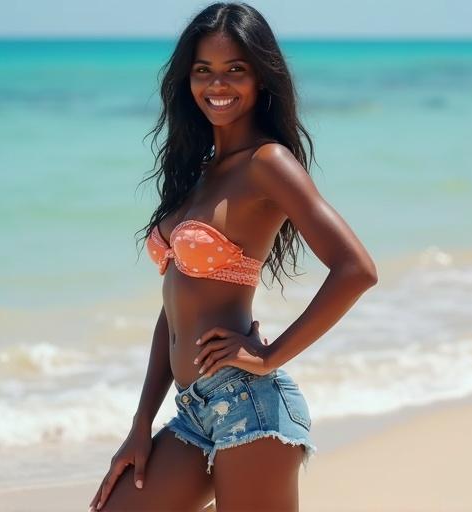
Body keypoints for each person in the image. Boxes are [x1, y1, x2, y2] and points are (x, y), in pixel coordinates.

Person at [88, 2, 378, 511]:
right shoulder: (199, 173)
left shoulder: (269, 163)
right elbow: (174, 311)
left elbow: (356, 269)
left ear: (261, 79)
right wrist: (139, 425)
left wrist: (268, 356)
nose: (216, 85)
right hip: (192, 412)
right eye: (203, 71)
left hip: (252, 408)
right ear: (187, 80)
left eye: (234, 70)